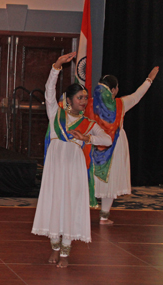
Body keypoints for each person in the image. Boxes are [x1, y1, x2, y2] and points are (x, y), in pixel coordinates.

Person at [31, 52, 112, 268]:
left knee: (70, 205)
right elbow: (49, 91)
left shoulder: (87, 123)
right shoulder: (55, 113)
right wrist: (56, 67)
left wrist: (87, 138)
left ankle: (65, 253)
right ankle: (55, 248)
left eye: (85, 98)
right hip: (55, 168)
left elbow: (107, 138)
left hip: (74, 169)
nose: (84, 101)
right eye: (80, 98)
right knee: (54, 204)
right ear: (69, 100)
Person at [84, 67, 159, 225]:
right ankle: (104, 216)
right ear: (112, 90)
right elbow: (137, 96)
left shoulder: (88, 104)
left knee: (89, 179)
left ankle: (80, 214)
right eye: (117, 88)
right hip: (114, 146)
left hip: (92, 144)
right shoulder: (120, 104)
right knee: (110, 180)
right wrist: (149, 80)